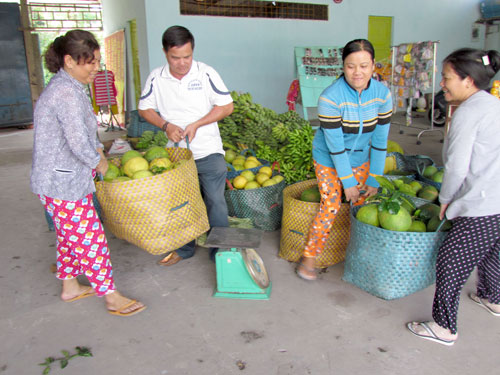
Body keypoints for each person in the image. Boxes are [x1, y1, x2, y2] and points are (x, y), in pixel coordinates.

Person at [31, 30, 146, 317]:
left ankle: (69, 286)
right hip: (60, 181)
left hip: (59, 179)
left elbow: (84, 133)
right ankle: (111, 296)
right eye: (90, 62)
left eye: (97, 61)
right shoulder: (65, 93)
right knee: (90, 236)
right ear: (69, 61)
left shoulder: (69, 86)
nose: (96, 67)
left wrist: (98, 153)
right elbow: (79, 143)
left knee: (70, 234)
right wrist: (100, 163)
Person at [407, 48, 500, 346]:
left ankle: (444, 327)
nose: (442, 84)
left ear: (468, 81)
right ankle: (492, 297)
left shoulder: (468, 113)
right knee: (492, 251)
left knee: (450, 260)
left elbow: (457, 166)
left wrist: (446, 199)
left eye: (447, 78)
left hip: (482, 202)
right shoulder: (492, 104)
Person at [296, 39, 393, 280]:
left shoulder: (382, 95)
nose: (357, 72)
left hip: (361, 157)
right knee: (331, 205)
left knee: (362, 205)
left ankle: (357, 256)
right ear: (343, 66)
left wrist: (375, 177)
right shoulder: (331, 97)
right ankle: (309, 258)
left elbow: (380, 141)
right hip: (328, 158)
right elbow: (335, 147)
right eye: (351, 66)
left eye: (364, 65)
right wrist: (347, 182)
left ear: (373, 66)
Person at [138, 25, 233, 266]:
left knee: (215, 201)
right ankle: (184, 248)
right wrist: (165, 125)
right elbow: (144, 108)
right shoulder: (156, 78)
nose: (182, 63)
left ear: (193, 51)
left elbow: (226, 106)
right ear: (164, 52)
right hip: (177, 155)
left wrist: (198, 123)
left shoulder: (206, 73)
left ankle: (219, 251)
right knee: (181, 204)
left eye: (187, 57)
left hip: (209, 151)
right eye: (175, 58)